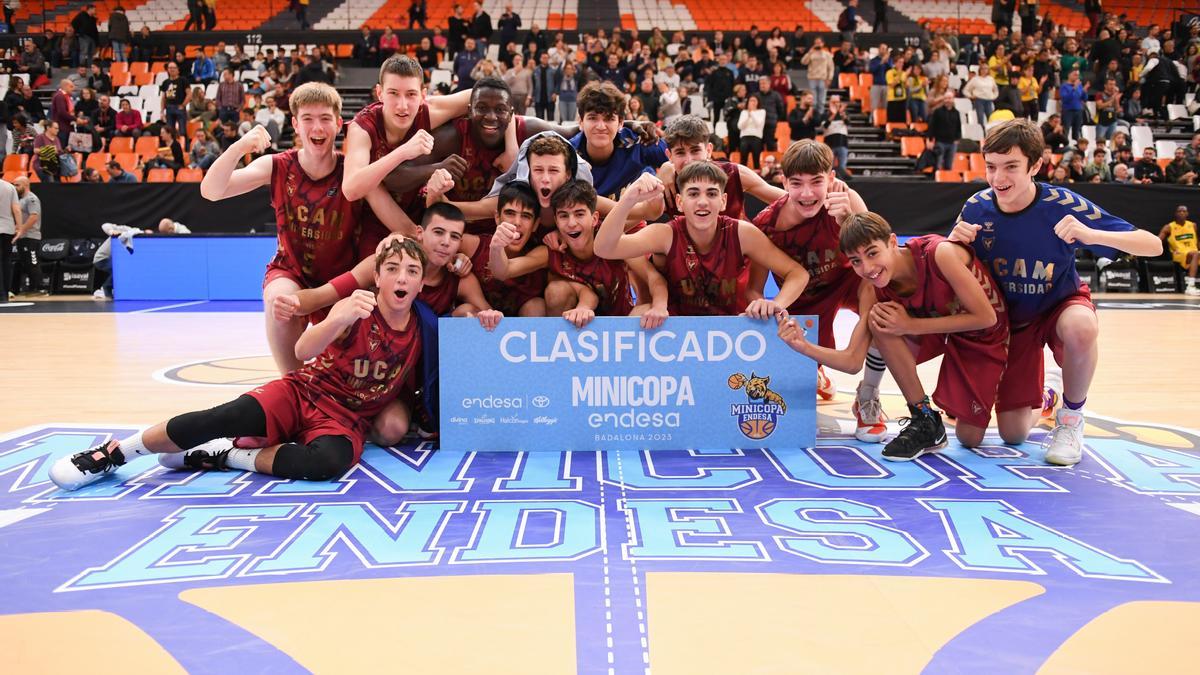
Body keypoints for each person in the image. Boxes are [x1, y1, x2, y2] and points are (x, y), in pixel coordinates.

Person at [50, 238, 437, 491]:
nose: (401, 277)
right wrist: (337, 319)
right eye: (392, 269)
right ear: (378, 276)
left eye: (412, 271)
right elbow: (302, 350)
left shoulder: (424, 323)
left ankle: (226, 455)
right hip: (303, 391)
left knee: (327, 465)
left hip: (345, 418)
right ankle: (116, 453)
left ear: (421, 284)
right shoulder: (353, 306)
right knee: (221, 416)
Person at [949, 119, 1162, 465]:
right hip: (1009, 321)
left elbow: (1152, 245)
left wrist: (1093, 235)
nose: (998, 178)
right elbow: (951, 262)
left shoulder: (1063, 203)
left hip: (1058, 305)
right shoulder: (976, 207)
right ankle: (1049, 394)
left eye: (1011, 167)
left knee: (1082, 326)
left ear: (1035, 166)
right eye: (991, 167)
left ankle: (1072, 419)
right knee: (1008, 434)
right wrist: (954, 245)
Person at [201, 82, 416, 375]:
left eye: (326, 118)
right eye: (308, 119)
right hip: (292, 272)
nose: (318, 127)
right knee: (280, 300)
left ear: (339, 124)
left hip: (342, 279)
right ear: (295, 125)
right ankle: (290, 380)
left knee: (344, 370)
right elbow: (211, 191)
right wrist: (240, 146)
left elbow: (403, 228)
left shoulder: (351, 173)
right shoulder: (277, 166)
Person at [779, 211, 1008, 459]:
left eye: (872, 253)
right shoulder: (871, 288)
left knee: (975, 437)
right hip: (937, 326)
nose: (867, 268)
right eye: (856, 261)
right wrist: (802, 346)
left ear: (891, 242)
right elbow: (853, 361)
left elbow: (986, 318)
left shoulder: (940, 253)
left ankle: (1040, 396)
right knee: (881, 319)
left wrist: (910, 326)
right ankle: (924, 419)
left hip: (982, 334)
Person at [748, 140, 886, 437]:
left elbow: (879, 261)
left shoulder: (847, 199)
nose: (807, 193)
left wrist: (848, 221)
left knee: (884, 308)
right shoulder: (765, 224)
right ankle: (816, 374)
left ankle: (868, 395)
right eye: (796, 183)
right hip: (800, 300)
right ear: (783, 182)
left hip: (847, 284)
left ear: (831, 180)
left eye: (816, 182)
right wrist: (760, 303)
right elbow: (754, 289)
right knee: (790, 396)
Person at [595, 162, 807, 320]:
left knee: (769, 321)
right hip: (676, 326)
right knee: (639, 314)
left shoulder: (742, 233)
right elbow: (604, 248)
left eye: (712, 194)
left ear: (723, 201)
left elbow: (797, 274)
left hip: (727, 327)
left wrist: (776, 304)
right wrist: (629, 198)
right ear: (680, 202)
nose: (703, 202)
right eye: (693, 194)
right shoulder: (666, 234)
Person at [489, 179, 669, 328]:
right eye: (564, 216)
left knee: (643, 311)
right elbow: (503, 271)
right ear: (556, 222)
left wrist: (660, 307)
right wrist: (496, 247)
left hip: (620, 326)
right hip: (575, 330)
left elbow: (653, 277)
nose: (571, 223)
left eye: (579, 214)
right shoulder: (552, 251)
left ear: (595, 219)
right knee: (556, 291)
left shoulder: (614, 243)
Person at [342, 55, 472, 258]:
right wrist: (403, 152)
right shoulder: (362, 128)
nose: (402, 106)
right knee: (372, 184)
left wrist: (510, 146)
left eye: (411, 94)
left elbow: (488, 95)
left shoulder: (430, 110)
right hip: (374, 224)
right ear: (379, 93)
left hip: (423, 213)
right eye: (393, 93)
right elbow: (350, 189)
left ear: (422, 95)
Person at [11, 177, 44, 295]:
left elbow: (34, 217)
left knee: (32, 262)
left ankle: (38, 289)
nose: (14, 187)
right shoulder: (21, 200)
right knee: (24, 263)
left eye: (17, 185)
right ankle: (27, 288)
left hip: (31, 237)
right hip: (22, 237)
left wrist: (21, 229)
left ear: (25, 185)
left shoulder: (31, 199)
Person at [1160, 205, 1199, 295]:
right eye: (1179, 211)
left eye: (1184, 211)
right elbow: (1158, 241)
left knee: (1196, 253)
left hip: (1194, 252)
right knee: (1195, 254)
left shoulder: (1193, 225)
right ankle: (1190, 286)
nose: (1182, 213)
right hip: (1179, 254)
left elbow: (1196, 241)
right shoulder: (1169, 227)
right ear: (1175, 214)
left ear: (1187, 213)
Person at [0, 178, 19, 302]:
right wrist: (20, 227)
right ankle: (5, 293)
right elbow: (16, 209)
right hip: (7, 229)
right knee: (6, 261)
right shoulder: (9, 186)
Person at [738, 95, 766, 170]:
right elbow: (740, 126)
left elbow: (758, 124)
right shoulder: (744, 112)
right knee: (743, 160)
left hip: (756, 137)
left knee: (756, 160)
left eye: (754, 100)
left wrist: (752, 113)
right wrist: (748, 115)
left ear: (758, 102)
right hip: (745, 137)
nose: (752, 102)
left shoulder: (762, 111)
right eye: (751, 100)